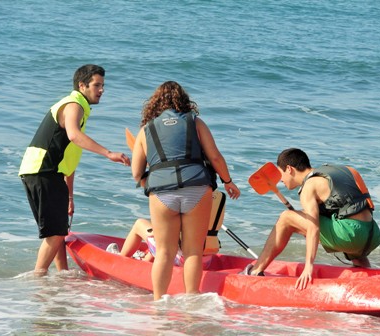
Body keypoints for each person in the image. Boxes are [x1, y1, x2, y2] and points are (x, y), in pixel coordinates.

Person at [131, 81, 240, 300]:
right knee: (193, 252)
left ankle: (158, 302)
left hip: (162, 193)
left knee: (163, 252)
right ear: (183, 100)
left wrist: (152, 186)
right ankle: (191, 300)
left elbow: (136, 173)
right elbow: (215, 156)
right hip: (197, 189)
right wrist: (228, 181)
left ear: (154, 104)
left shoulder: (146, 130)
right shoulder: (195, 122)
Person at [19, 64, 130, 276]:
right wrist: (108, 153)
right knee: (55, 233)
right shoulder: (73, 105)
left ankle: (62, 275)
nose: (102, 90)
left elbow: (69, 162)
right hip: (43, 170)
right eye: (97, 85)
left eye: (103, 85)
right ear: (82, 85)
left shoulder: (79, 108)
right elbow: (73, 135)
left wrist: (70, 197)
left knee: (57, 231)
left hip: (42, 171)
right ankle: (38, 277)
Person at [241, 148, 380, 290]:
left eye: (281, 174)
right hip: (373, 234)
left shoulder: (309, 186)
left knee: (286, 218)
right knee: (338, 215)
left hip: (351, 236)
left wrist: (309, 267)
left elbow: (313, 228)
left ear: (289, 169)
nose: (280, 180)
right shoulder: (345, 170)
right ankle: (365, 274)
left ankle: (255, 271)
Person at [106, 218, 183, 265]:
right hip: (190, 261)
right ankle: (147, 261)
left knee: (139, 224)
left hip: (172, 258)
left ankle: (121, 259)